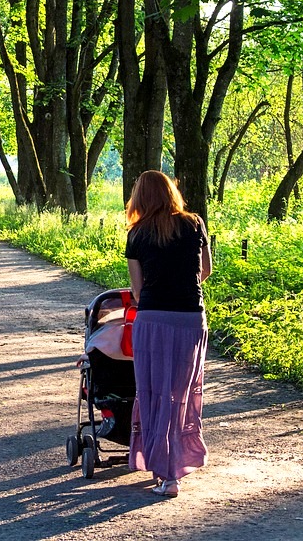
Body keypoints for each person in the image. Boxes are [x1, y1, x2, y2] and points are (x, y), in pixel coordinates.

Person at [124, 170, 212, 498]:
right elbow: (205, 270)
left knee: (153, 393)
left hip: (152, 319)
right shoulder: (194, 224)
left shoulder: (136, 234)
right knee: (182, 395)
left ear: (140, 198)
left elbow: (137, 290)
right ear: (171, 192)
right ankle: (177, 465)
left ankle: (164, 473)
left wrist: (158, 294)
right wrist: (181, 289)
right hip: (190, 318)